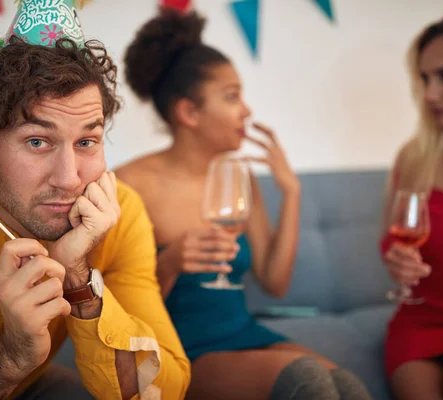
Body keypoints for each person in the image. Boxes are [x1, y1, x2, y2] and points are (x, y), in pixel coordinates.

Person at [0, 1, 190, 399]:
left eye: (86, 141)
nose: (69, 178)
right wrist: (9, 359)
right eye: (37, 141)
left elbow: (165, 388)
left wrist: (79, 279)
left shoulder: (119, 213)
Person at [116, 8, 371, 400]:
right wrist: (170, 261)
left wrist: (291, 193)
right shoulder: (130, 184)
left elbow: (274, 281)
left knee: (350, 387)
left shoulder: (240, 178)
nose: (247, 111)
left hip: (243, 334)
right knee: (307, 380)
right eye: (232, 96)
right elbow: (118, 314)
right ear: (189, 112)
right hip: (180, 347)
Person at [381, 8, 443, 400]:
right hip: (423, 325)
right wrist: (396, 261)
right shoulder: (414, 157)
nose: (431, 94)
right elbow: (391, 244)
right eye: (424, 79)